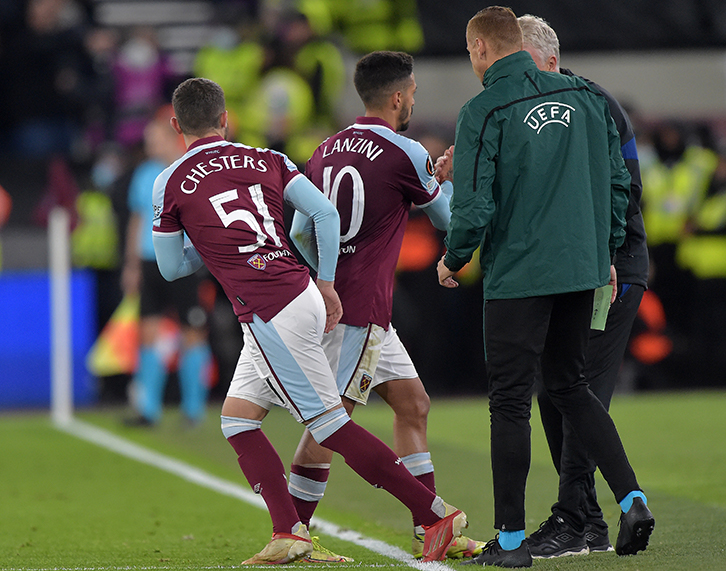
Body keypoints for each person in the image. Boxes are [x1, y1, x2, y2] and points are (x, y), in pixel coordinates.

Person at [152, 77, 467, 564]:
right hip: (300, 291)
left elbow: (172, 268)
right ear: (225, 119)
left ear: (176, 125)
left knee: (330, 426)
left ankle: (432, 513)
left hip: (269, 309)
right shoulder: (269, 159)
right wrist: (323, 281)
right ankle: (289, 532)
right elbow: (322, 213)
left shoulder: (171, 180)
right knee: (237, 418)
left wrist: (211, 243)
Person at [434, 7, 654, 568]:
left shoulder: (484, 108)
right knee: (571, 387)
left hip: (521, 275)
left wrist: (455, 257)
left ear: (481, 48)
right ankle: (632, 498)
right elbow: (617, 183)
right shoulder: (586, 96)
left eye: (469, 52)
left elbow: (477, 201)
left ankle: (510, 544)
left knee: (509, 402)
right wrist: (604, 251)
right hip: (584, 270)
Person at [287, 51, 485, 561]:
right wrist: (442, 177)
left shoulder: (325, 149)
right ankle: (290, 531)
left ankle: (429, 532)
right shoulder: (405, 151)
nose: (414, 100)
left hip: (340, 302)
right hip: (357, 313)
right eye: (414, 92)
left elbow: (300, 232)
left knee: (412, 404)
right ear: (398, 97)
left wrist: (325, 281)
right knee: (332, 425)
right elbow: (447, 218)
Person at [515, 14, 650, 558]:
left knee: (575, 388)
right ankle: (586, 519)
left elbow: (625, 187)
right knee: (557, 388)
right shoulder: (534, 112)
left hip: (608, 268)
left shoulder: (591, 104)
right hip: (568, 270)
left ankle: (577, 518)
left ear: (549, 59)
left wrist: (606, 256)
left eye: (521, 64)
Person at [122, 105, 212, 426]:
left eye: (155, 139)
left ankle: (194, 410)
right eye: (148, 140)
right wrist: (131, 265)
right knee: (148, 333)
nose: (150, 146)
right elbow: (137, 219)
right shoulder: (145, 174)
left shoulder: (188, 172)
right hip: (149, 262)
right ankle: (148, 410)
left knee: (192, 332)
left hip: (183, 261)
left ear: (173, 139)